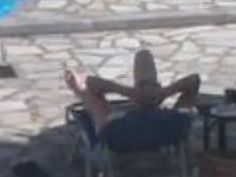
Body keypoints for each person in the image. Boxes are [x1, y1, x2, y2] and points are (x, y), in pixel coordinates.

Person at [64, 47, 203, 132]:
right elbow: (193, 81)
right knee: (143, 55)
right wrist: (161, 93)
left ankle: (79, 91)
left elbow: (92, 83)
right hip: (162, 132)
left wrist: (129, 92)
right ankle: (79, 91)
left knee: (90, 96)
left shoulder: (115, 125)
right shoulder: (174, 123)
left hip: (120, 139)